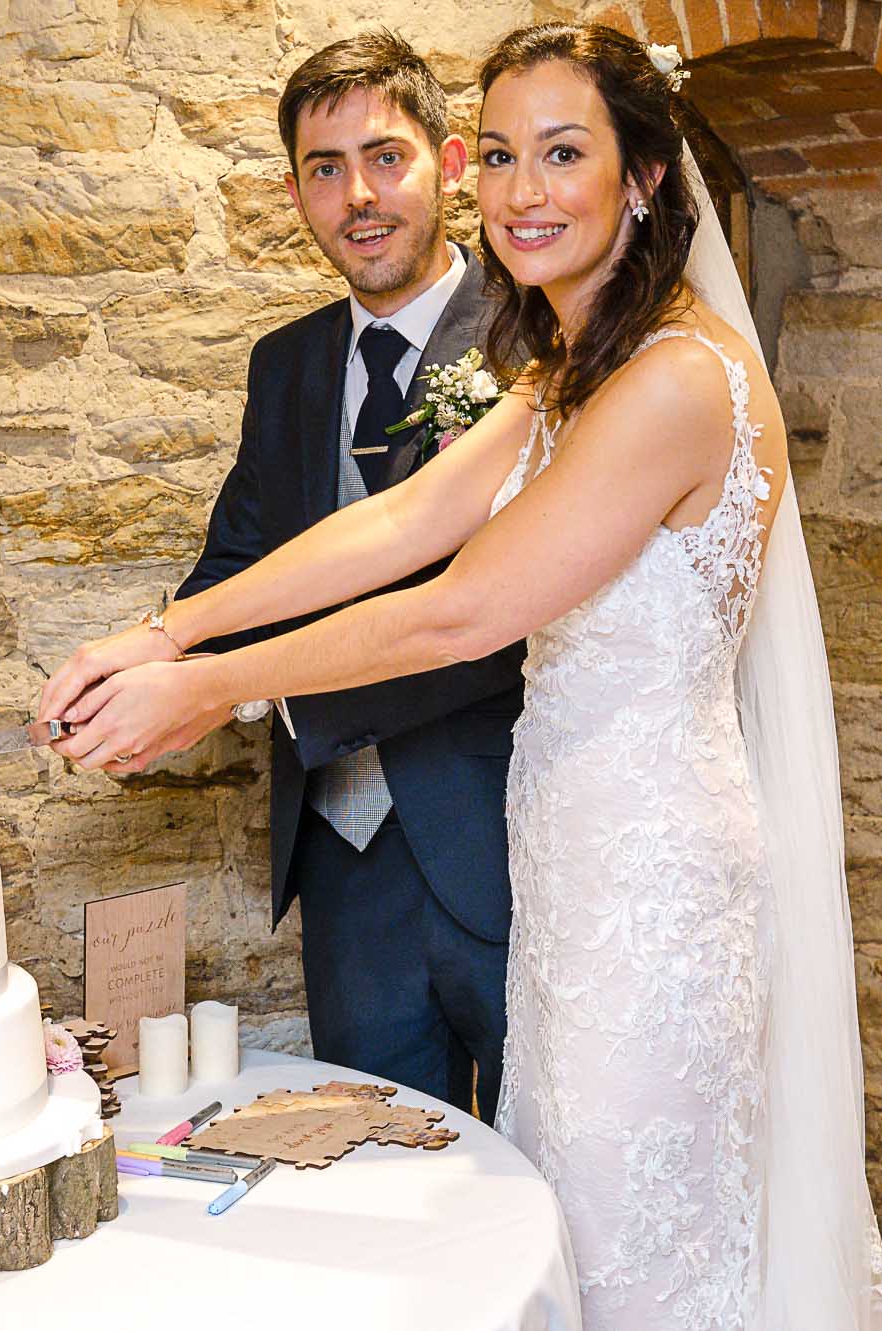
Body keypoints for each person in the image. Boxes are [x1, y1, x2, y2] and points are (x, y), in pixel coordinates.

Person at [42, 23, 882, 1329]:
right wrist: (167, 635)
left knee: (641, 1247)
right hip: (567, 866)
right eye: (500, 154)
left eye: (564, 153)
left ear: (646, 177)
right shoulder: (569, 367)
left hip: (654, 888)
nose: (522, 191)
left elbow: (459, 610)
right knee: (560, 1214)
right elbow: (399, 525)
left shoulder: (676, 379)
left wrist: (216, 689)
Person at [159, 32, 525, 1122]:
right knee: (381, 1172)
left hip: (506, 839)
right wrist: (149, 659)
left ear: (448, 164)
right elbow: (239, 563)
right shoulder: (286, 364)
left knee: (544, 1175)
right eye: (325, 170)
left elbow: (491, 611)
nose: (357, 196)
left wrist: (222, 683)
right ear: (294, 192)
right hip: (344, 854)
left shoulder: (536, 339)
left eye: (385, 158)